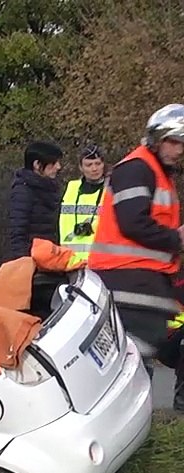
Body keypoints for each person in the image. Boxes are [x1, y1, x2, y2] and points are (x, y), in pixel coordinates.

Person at [88, 104, 184, 378]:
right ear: (156, 138)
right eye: (173, 142)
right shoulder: (136, 168)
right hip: (126, 282)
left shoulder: (155, 171)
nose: (178, 150)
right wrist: (175, 238)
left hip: (142, 281)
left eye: (182, 144)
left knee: (137, 363)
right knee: (133, 367)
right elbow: (133, 223)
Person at [6, 141, 64, 260]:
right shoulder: (23, 190)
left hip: (51, 257)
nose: (58, 167)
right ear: (37, 164)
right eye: (53, 163)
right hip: (33, 260)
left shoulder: (51, 188)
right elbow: (17, 232)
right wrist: (24, 262)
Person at [58, 144, 108, 261]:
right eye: (89, 165)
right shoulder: (71, 188)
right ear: (81, 167)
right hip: (70, 260)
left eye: (98, 164)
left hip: (100, 259)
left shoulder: (111, 189)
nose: (94, 169)